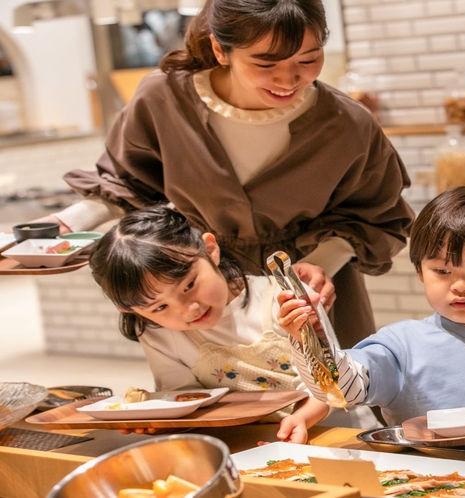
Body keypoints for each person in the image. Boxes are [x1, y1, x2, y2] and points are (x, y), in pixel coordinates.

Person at [36, 0, 413, 349]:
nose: (288, 80)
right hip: (200, 292)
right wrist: (58, 228)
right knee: (210, 405)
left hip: (308, 300)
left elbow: (376, 217)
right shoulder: (164, 101)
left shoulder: (347, 124)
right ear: (220, 50)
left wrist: (322, 262)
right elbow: (123, 183)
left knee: (330, 409)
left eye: (308, 59)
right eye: (265, 64)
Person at [276, 185, 465, 425]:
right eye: (443, 271)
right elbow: (341, 389)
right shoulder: (401, 345)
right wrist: (310, 338)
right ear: (420, 271)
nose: (460, 286)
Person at [89, 206, 380, 442]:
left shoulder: (280, 298)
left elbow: (327, 383)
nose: (188, 309)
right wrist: (165, 421)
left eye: (189, 285)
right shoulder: (155, 332)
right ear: (129, 309)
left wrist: (301, 418)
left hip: (335, 434)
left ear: (210, 249)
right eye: (160, 306)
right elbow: (184, 398)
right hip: (247, 442)